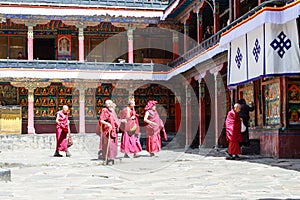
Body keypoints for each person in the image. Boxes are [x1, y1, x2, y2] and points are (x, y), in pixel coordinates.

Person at [99, 100, 124, 165]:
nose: (109, 105)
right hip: (108, 130)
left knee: (114, 145)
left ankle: (112, 158)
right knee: (109, 145)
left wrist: (121, 121)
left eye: (110, 103)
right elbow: (101, 120)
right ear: (106, 105)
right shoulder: (104, 110)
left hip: (114, 130)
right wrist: (108, 124)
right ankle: (109, 158)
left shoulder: (113, 111)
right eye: (108, 104)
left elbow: (115, 120)